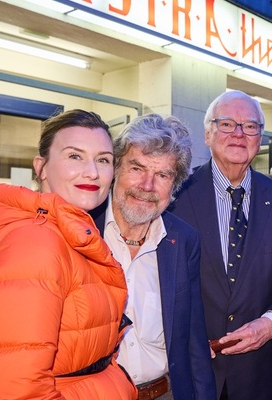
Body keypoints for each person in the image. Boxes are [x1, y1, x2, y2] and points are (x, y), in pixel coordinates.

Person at [0, 110, 137, 399]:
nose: (92, 172)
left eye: (103, 159)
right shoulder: (35, 240)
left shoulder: (68, 232)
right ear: (42, 167)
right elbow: (14, 391)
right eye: (74, 156)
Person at [168, 90, 272, 399]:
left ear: (259, 138)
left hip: (260, 374)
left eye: (249, 126)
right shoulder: (175, 197)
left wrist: (270, 324)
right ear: (207, 134)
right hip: (192, 373)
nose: (238, 133)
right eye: (226, 124)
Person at [90, 114, 216, 399]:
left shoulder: (183, 240)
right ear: (116, 169)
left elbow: (193, 338)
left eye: (162, 175)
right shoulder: (81, 229)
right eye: (137, 168)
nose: (147, 186)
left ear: (174, 186)